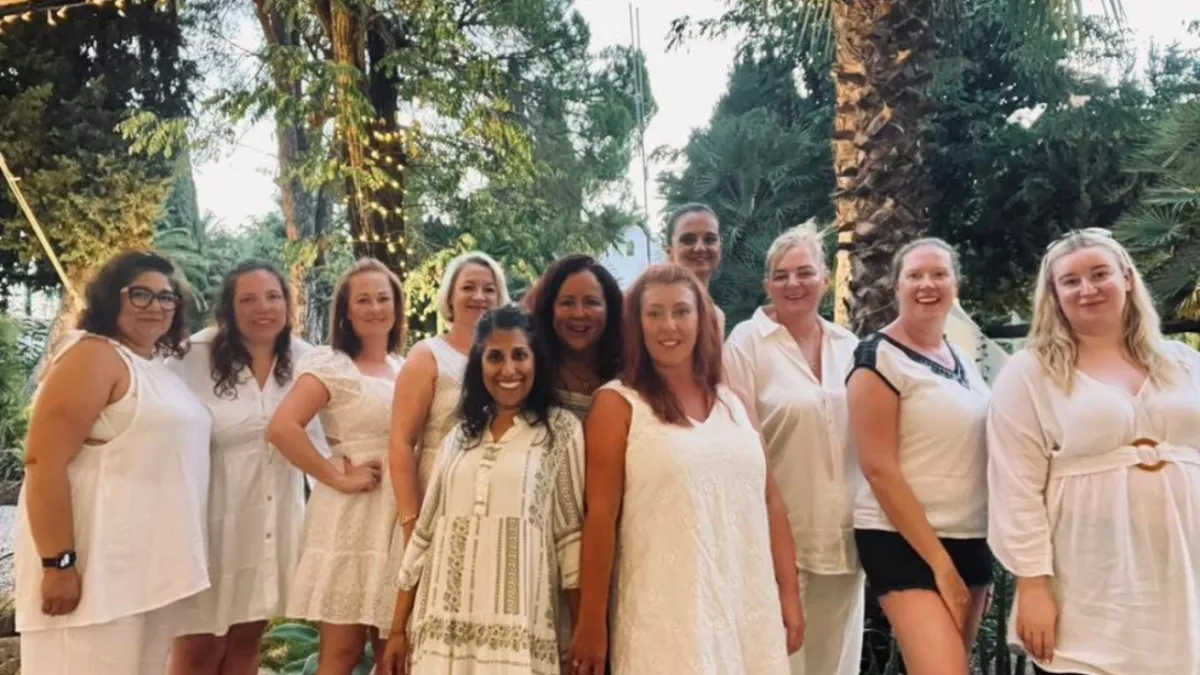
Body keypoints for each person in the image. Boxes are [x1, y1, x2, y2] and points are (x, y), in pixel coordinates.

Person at [570, 263, 803, 675]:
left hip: (749, 608)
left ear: (701, 319)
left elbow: (772, 502)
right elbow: (601, 517)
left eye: (681, 311)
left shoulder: (737, 402)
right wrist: (592, 622)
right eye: (654, 313)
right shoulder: (618, 404)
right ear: (636, 324)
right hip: (666, 617)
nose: (669, 326)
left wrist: (789, 593)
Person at [987, 228, 1200, 675]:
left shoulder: (1184, 363)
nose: (1087, 289)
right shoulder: (1031, 373)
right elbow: (1015, 487)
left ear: (1127, 278)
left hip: (1185, 566)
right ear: (1054, 294)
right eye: (1071, 281)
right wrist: (1032, 585)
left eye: (1100, 274)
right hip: (1089, 576)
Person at [15, 250, 211, 675]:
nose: (155, 306)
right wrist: (58, 564)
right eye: (140, 294)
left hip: (142, 572)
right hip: (96, 572)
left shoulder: (154, 367)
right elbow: (43, 461)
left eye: (166, 297)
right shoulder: (93, 355)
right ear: (110, 297)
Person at [378, 306, 585, 675]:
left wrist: (581, 635)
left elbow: (571, 543)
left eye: (519, 355)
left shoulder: (560, 431)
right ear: (479, 364)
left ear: (537, 361)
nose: (508, 369)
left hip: (517, 635)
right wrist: (397, 629)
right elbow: (425, 535)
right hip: (443, 630)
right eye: (495, 357)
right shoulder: (458, 436)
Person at [169, 261, 326, 675]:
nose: (264, 308)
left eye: (273, 297)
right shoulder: (192, 357)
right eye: (249, 299)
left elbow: (328, 435)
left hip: (272, 522)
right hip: (211, 524)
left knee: (245, 645)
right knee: (199, 651)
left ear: (287, 304)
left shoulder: (307, 360)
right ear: (229, 308)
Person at [846, 238, 992, 675]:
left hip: (969, 536)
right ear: (897, 287)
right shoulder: (878, 357)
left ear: (956, 286)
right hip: (902, 542)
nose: (927, 284)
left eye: (939, 274)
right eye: (915, 275)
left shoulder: (963, 358)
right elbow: (878, 469)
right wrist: (941, 567)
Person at [724, 222, 864, 675]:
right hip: (779, 543)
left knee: (837, 666)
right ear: (767, 285)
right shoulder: (746, 343)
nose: (793, 284)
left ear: (825, 278)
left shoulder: (850, 347)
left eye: (804, 272)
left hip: (845, 542)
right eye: (781, 275)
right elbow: (737, 445)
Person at [267, 258, 405, 674]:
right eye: (363, 300)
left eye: (383, 298)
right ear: (346, 311)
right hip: (353, 514)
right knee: (342, 653)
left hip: (397, 514)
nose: (375, 308)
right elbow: (282, 428)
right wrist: (337, 478)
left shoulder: (405, 367)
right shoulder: (332, 365)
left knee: (397, 654)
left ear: (396, 306)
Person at [388, 251, 508, 546]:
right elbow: (401, 443)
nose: (479, 296)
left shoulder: (510, 360)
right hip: (436, 494)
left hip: (494, 495)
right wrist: (411, 521)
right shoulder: (427, 356)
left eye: (489, 289)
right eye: (468, 287)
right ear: (450, 297)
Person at [525, 254, 623, 420]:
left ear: (610, 309)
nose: (578, 313)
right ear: (549, 309)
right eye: (567, 302)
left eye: (591, 302)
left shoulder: (629, 374)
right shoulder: (528, 372)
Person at [665, 203, 725, 333]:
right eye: (688, 240)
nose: (700, 248)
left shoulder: (717, 316)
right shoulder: (653, 311)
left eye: (709, 239)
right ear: (670, 252)